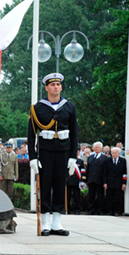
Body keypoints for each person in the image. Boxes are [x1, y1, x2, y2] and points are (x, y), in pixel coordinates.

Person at [28, 73, 78, 236]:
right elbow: (31, 135)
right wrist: (33, 157)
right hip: (46, 152)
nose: (56, 87)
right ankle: (45, 222)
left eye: (58, 84)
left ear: (61, 87)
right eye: (53, 85)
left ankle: (57, 221)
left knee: (59, 185)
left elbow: (75, 133)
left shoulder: (69, 107)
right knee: (45, 185)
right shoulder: (37, 108)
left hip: (63, 151)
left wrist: (73, 157)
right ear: (47, 88)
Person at [86, 142, 108, 215]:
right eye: (96, 147)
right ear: (93, 148)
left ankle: (100, 210)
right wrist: (86, 180)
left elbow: (105, 171)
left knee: (100, 196)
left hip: (100, 180)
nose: (97, 148)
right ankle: (90, 210)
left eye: (98, 147)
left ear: (101, 148)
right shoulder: (90, 157)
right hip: (91, 179)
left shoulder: (105, 158)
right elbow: (88, 169)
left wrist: (105, 182)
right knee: (91, 196)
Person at [104, 147, 127, 216]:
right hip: (109, 182)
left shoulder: (123, 160)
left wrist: (124, 183)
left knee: (118, 198)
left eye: (115, 153)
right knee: (109, 198)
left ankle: (117, 211)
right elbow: (105, 172)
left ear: (118, 153)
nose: (113, 154)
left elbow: (124, 173)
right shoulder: (108, 160)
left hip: (119, 182)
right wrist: (105, 182)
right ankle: (110, 211)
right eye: (112, 153)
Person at [67, 149, 86, 215]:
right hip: (68, 181)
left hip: (77, 182)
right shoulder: (67, 160)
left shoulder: (80, 161)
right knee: (67, 197)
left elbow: (83, 172)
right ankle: (67, 209)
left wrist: (82, 181)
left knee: (76, 197)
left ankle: (77, 210)